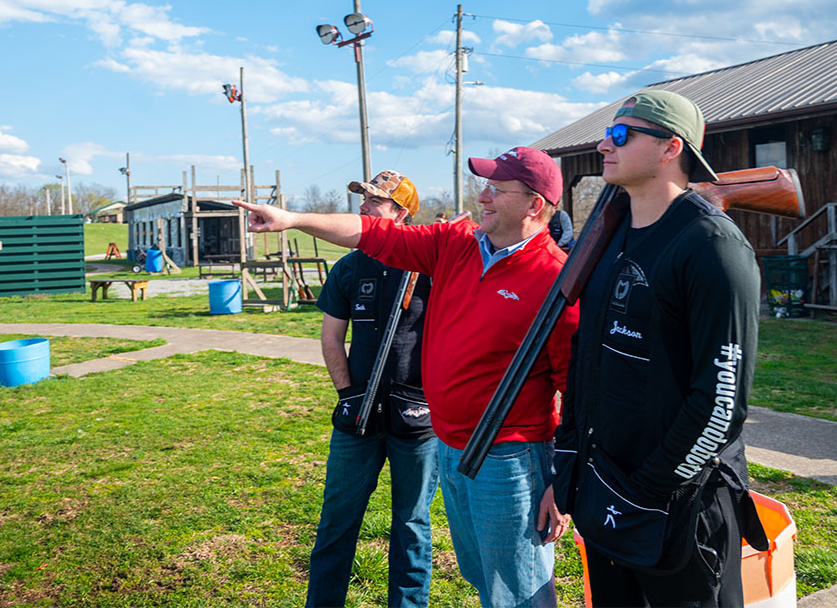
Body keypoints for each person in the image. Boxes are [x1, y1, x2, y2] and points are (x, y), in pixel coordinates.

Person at [237, 147, 578, 608]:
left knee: (518, 590)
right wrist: (292, 218)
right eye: (485, 185)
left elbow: (577, 392)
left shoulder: (557, 280)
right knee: (483, 577)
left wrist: (564, 479)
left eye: (497, 189)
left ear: (535, 204)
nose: (483, 196)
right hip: (453, 447)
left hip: (510, 459)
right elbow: (371, 234)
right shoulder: (456, 245)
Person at [551, 89, 765, 607]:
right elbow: (587, 358)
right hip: (604, 489)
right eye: (608, 133)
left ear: (671, 148)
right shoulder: (609, 237)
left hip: (674, 505)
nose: (605, 144)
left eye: (621, 135)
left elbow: (721, 402)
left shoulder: (712, 245)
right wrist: (572, 457)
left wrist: (648, 489)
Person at [305, 170, 438, 608]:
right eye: (362, 198)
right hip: (356, 420)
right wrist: (347, 396)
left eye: (374, 201)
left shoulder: (433, 265)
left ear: (401, 214)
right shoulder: (348, 266)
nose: (362, 207)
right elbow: (331, 338)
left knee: (412, 527)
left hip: (417, 422)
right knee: (335, 526)